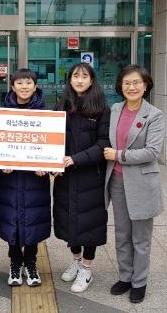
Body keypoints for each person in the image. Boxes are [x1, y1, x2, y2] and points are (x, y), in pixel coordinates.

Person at [103, 64, 164, 304]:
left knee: (140, 237)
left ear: (145, 85)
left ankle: (139, 282)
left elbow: (152, 152)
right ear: (120, 86)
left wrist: (119, 155)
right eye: (127, 83)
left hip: (141, 183)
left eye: (136, 82)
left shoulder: (154, 115)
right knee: (122, 234)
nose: (131, 87)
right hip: (117, 181)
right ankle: (125, 277)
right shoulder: (115, 109)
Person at [53, 62, 110, 293]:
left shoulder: (102, 109)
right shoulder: (62, 106)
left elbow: (104, 143)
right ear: (70, 79)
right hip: (65, 177)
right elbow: (51, 139)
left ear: (92, 80)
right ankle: (76, 262)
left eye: (84, 76)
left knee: (90, 225)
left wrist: (76, 159)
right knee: (68, 221)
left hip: (91, 177)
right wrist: (50, 163)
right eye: (75, 76)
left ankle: (86, 269)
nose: (79, 80)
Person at [0, 69, 50, 288]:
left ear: (35, 86)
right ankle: (15, 263)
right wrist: (1, 162)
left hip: (35, 180)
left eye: (28, 83)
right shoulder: (2, 113)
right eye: (19, 83)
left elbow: (52, 144)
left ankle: (31, 263)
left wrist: (46, 165)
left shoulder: (46, 114)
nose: (24, 87)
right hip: (10, 178)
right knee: (13, 222)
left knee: (33, 221)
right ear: (12, 86)